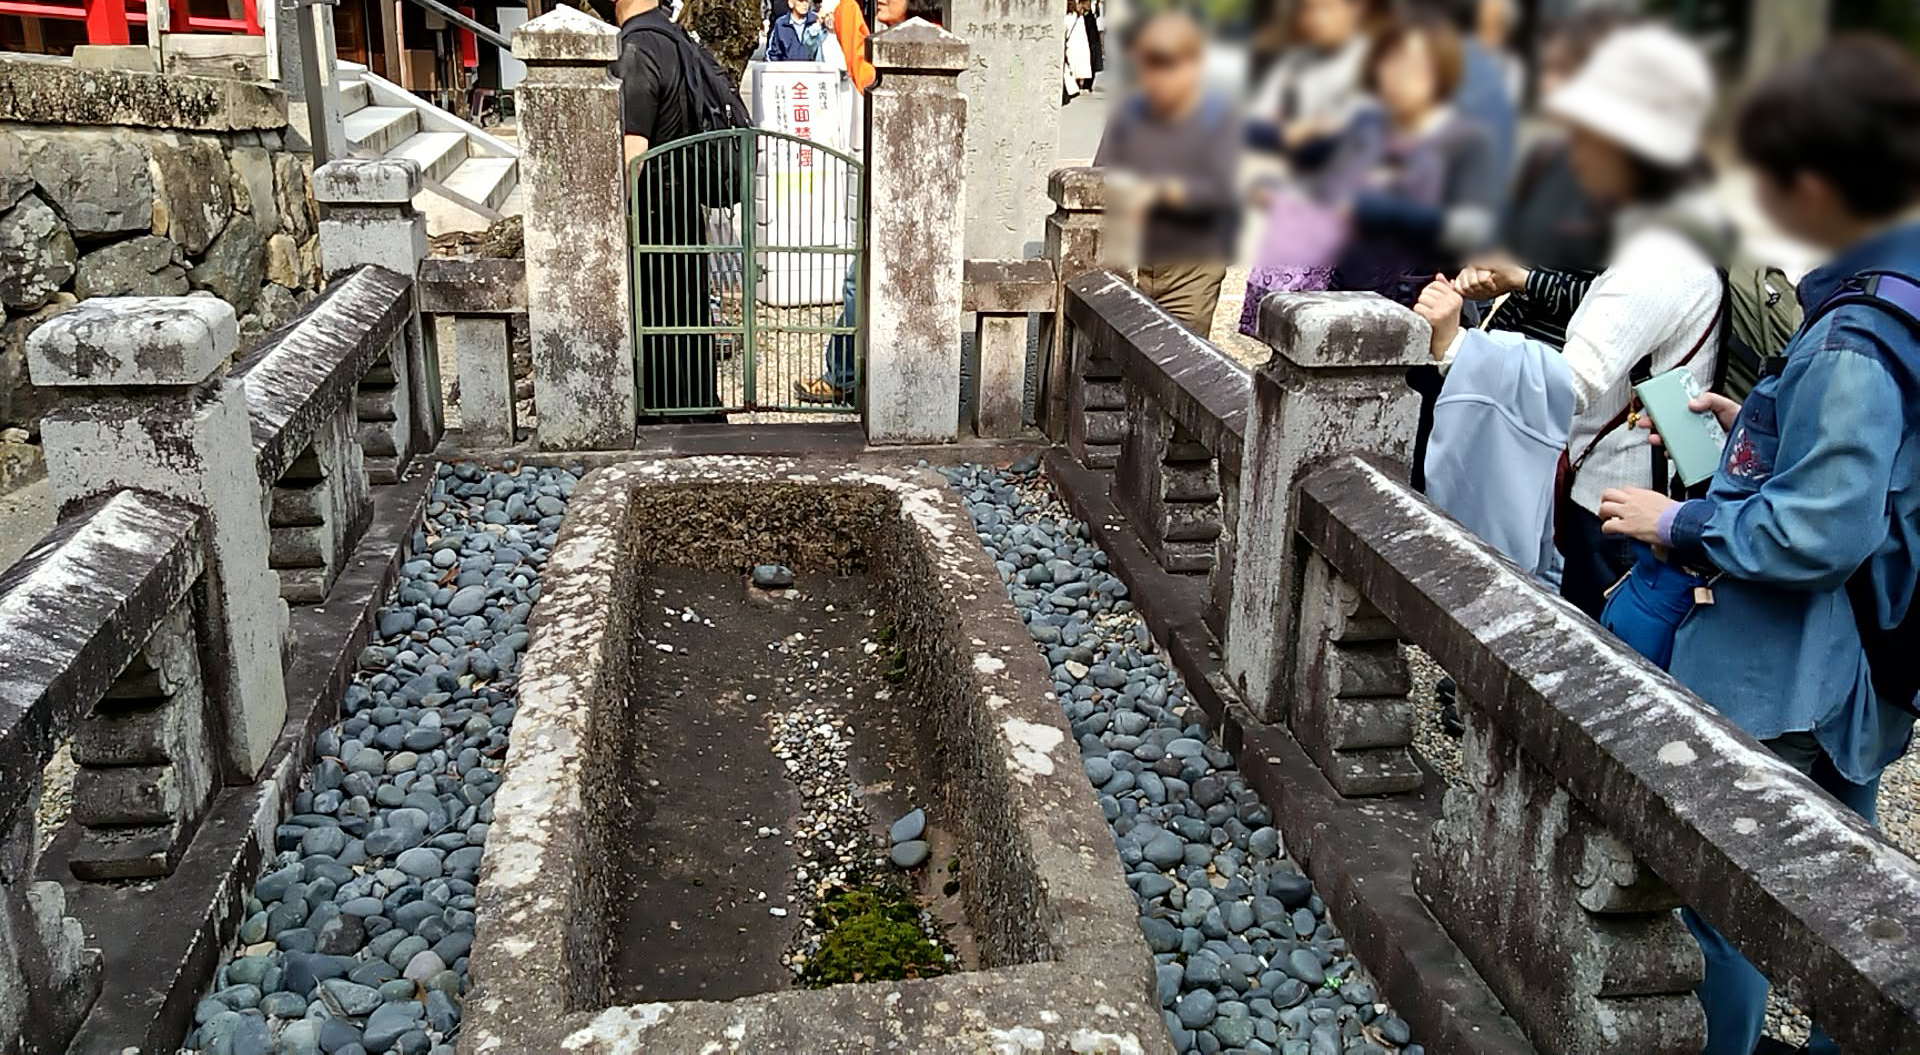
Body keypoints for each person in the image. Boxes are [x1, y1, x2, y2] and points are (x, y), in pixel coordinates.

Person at [1594, 38, 1920, 1055]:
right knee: (1849, 877)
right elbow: (1867, 472)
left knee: (1723, 897)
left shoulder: (1851, 339)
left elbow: (1819, 531)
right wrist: (1762, 434)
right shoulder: (1899, 292)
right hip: (1868, 655)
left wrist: (1676, 520)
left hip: (1797, 665)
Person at [1415, 25, 1723, 619]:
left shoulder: (1658, 259)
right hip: (1620, 490)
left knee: (1593, 644)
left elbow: (1569, 382)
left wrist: (1453, 343)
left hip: (1618, 503)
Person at [1459, 8, 1626, 350]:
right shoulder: (1553, 156)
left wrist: (1524, 280)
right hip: (1506, 348)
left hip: (1567, 365)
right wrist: (1486, 268)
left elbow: (1622, 305)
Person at [1328, 10, 1502, 308]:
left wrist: (1390, 211)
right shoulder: (1366, 126)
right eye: (1388, 61)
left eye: (1412, 65)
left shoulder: (1469, 141)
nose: (1396, 76)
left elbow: (1473, 228)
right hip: (1346, 293)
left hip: (1421, 306)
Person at [1091, 9, 1241, 335]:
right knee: (1121, 357)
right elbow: (1098, 181)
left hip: (1191, 268)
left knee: (1181, 353)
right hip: (1132, 260)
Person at [613, 0, 727, 418]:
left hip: (651, 214)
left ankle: (669, 418)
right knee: (688, 320)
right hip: (685, 206)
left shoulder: (637, 47)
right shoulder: (676, 37)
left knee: (658, 323)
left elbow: (633, 152)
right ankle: (699, 412)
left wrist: (613, 222)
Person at [793, 0, 909, 405]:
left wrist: (844, 11)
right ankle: (849, 373)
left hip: (899, 195)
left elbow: (864, 75)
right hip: (887, 189)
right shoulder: (889, 36)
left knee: (859, 282)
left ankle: (846, 375)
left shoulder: (905, 43)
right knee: (858, 281)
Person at [1245, 0, 1374, 178]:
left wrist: (1290, 136)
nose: (1314, 18)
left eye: (1325, 8)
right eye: (1306, 9)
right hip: (1286, 174)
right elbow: (1250, 127)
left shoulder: (1373, 61)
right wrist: (1287, 134)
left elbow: (1353, 142)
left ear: (1358, 8)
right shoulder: (1293, 62)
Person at [1065, 0, 1094, 99]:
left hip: (1073, 46)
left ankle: (1073, 87)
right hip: (1076, 46)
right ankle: (1074, 87)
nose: (1083, 12)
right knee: (1074, 65)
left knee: (1072, 65)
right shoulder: (1077, 17)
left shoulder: (1074, 17)